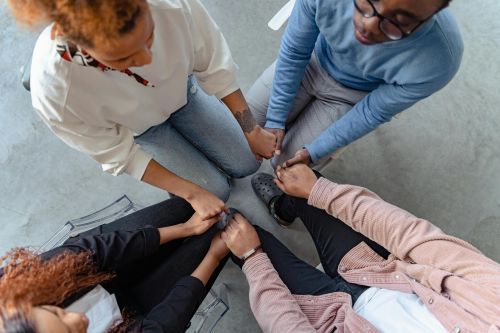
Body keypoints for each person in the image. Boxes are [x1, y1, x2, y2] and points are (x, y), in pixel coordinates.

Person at [7, 0, 277, 220]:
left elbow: (214, 64)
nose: (147, 59)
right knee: (215, 191)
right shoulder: (55, 91)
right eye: (123, 58)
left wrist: (251, 129)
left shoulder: (169, 5)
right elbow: (117, 154)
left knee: (248, 162)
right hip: (143, 131)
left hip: (186, 96)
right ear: (83, 48)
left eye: (150, 37)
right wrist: (192, 193)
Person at [220, 165, 500, 332]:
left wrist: (252, 258)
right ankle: (283, 207)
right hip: (380, 272)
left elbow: (288, 327)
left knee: (233, 229)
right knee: (309, 190)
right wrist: (321, 191)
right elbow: (414, 236)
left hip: (329, 318)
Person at [247, 0, 463, 168]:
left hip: (354, 96)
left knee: (288, 165)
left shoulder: (441, 60)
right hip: (312, 59)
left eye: (398, 22)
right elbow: (295, 52)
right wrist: (276, 118)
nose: (368, 26)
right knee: (243, 130)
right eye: (369, 1)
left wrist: (315, 151)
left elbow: (371, 112)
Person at [0, 197, 230, 333]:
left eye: (56, 312)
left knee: (185, 209)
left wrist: (185, 229)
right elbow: (159, 327)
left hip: (96, 271)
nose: (79, 319)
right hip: (134, 319)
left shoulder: (11, 290)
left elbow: (98, 250)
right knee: (215, 238)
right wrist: (213, 257)